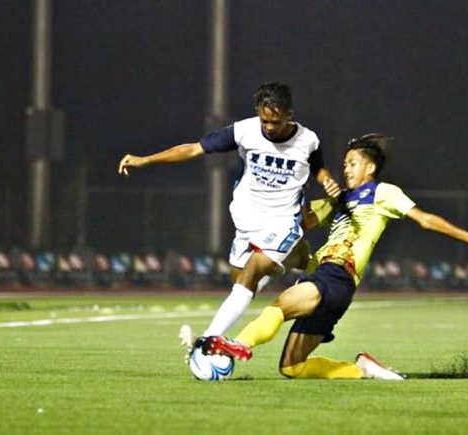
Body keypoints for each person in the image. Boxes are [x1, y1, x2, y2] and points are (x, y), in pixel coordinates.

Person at [201, 133, 468, 380]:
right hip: (330, 281)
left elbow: (425, 219)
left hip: (336, 275)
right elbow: (298, 223)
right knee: (293, 367)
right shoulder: (338, 200)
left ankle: (236, 345)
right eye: (344, 164)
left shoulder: (383, 192)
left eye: (352, 163)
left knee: (280, 307)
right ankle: (363, 368)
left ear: (369, 168)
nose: (345, 169)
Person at [118, 81, 333, 354]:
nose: (268, 126)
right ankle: (298, 269)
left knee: (253, 271)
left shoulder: (308, 140)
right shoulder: (244, 131)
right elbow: (194, 148)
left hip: (282, 220)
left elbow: (319, 169)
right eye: (264, 119)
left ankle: (207, 341)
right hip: (246, 221)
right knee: (243, 283)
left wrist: (327, 181)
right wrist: (145, 160)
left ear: (290, 114)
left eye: (275, 121)